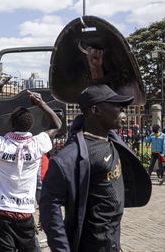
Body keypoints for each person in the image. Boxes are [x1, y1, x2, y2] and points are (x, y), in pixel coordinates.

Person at [40, 48, 152, 252]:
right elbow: (49, 207)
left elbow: (96, 95)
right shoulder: (68, 158)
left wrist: (96, 69)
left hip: (112, 242)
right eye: (116, 106)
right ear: (96, 111)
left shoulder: (110, 137)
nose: (122, 110)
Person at [0, 81, 61, 252]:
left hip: (1, 217)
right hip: (25, 218)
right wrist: (41, 103)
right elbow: (57, 125)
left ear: (10, 124)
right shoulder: (37, 145)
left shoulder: (0, 145)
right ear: (31, 126)